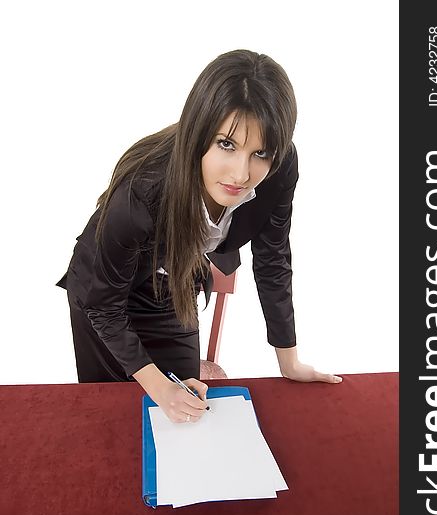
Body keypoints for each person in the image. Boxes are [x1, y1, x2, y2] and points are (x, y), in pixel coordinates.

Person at [56, 49, 342, 424]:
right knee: (113, 418)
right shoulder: (142, 190)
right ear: (198, 130)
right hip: (105, 295)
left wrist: (289, 361)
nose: (241, 173)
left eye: (261, 153)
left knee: (190, 410)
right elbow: (104, 306)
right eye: (226, 144)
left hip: (174, 282)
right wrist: (159, 388)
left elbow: (273, 257)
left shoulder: (281, 166)